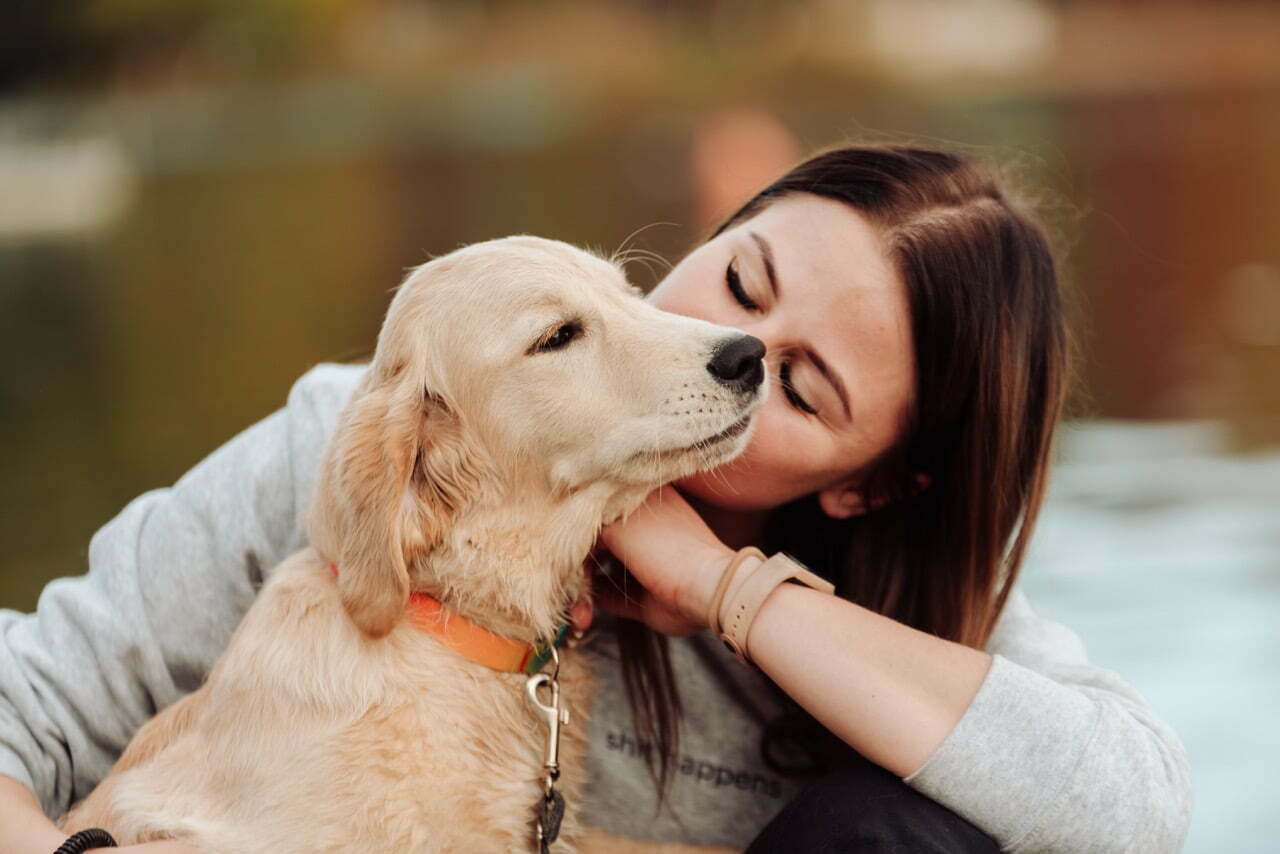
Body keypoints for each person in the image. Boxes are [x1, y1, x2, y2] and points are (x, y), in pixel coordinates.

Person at [0, 146, 1191, 854]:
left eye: (805, 384)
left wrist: (723, 584)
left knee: (905, 830)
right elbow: (21, 706)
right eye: (739, 275)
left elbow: (1131, 806)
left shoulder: (904, 613)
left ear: (870, 482)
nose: (726, 345)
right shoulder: (363, 443)